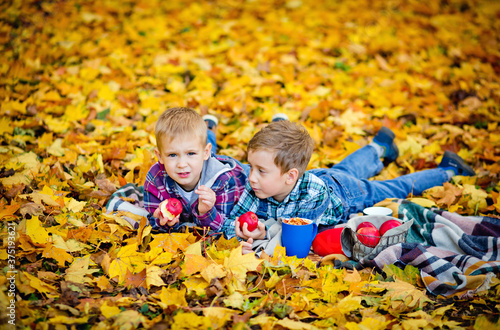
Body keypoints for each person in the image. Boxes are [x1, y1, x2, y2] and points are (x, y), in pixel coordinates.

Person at [220, 120, 475, 254]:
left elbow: (294, 238)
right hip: (324, 176)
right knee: (343, 168)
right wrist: (241, 231)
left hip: (344, 193)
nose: (250, 177)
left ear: (289, 176)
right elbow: (228, 222)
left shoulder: (312, 195)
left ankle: (449, 170)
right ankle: (379, 147)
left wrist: (262, 233)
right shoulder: (258, 186)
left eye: (260, 170)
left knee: (391, 188)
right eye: (250, 167)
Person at [143, 107, 248, 232]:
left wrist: (207, 212)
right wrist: (164, 222)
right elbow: (152, 221)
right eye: (172, 155)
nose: (182, 164)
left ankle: (209, 129)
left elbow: (224, 226)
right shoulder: (155, 179)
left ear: (206, 152)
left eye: (190, 153)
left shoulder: (223, 180)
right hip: (200, 160)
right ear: (159, 156)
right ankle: (208, 128)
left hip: (236, 169)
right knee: (197, 144)